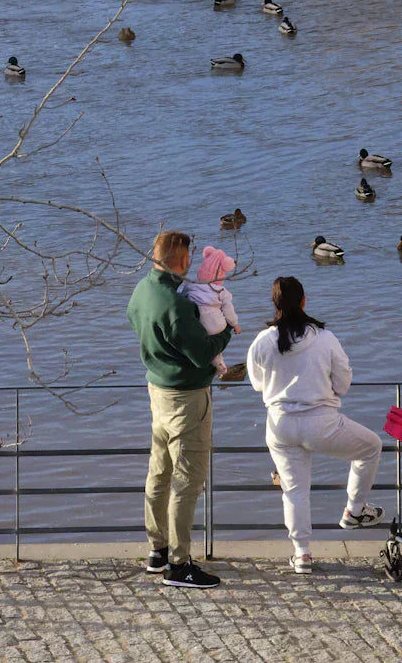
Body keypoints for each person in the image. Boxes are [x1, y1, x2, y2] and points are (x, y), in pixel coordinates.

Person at [247, 275, 383, 573]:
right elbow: (344, 383)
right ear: (304, 301)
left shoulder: (262, 342)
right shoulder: (325, 338)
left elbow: (258, 385)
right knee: (371, 447)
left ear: (275, 304)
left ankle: (302, 554)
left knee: (294, 491)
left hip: (280, 426)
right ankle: (355, 510)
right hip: (322, 424)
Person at [127, 229, 232, 589]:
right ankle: (179, 563)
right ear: (183, 261)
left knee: (159, 472)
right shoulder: (177, 304)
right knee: (188, 480)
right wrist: (227, 332)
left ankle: (157, 549)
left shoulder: (142, 290)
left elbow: (134, 320)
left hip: (157, 390)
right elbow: (203, 351)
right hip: (187, 396)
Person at [179, 245, 240, 376]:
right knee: (216, 341)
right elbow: (228, 309)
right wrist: (235, 324)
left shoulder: (191, 284)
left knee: (208, 342)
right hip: (216, 324)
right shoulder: (221, 291)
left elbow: (183, 297)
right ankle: (220, 365)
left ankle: (216, 364)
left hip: (198, 323)